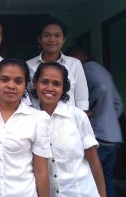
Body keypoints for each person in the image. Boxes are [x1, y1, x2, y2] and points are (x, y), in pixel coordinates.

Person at [0, 58, 51, 197]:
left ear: (25, 84)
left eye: (18, 81)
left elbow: (41, 170)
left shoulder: (38, 119)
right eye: (5, 79)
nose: (11, 85)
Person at [31, 61, 106, 197]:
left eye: (56, 84)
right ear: (35, 83)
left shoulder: (77, 116)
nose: (50, 88)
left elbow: (94, 162)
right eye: (44, 82)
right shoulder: (28, 118)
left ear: (64, 88)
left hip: (81, 192)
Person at [66, 46, 123, 197]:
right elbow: (119, 104)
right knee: (106, 179)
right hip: (114, 136)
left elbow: (102, 89)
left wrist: (89, 111)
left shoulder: (86, 68)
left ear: (76, 57)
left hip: (99, 136)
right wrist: (108, 118)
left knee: (89, 179)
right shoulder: (101, 69)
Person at [26, 16, 89, 111]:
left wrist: (78, 122)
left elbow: (81, 101)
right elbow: (26, 100)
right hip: (37, 122)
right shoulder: (28, 65)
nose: (52, 39)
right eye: (47, 35)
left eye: (57, 35)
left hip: (68, 122)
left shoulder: (75, 64)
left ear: (63, 39)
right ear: (39, 39)